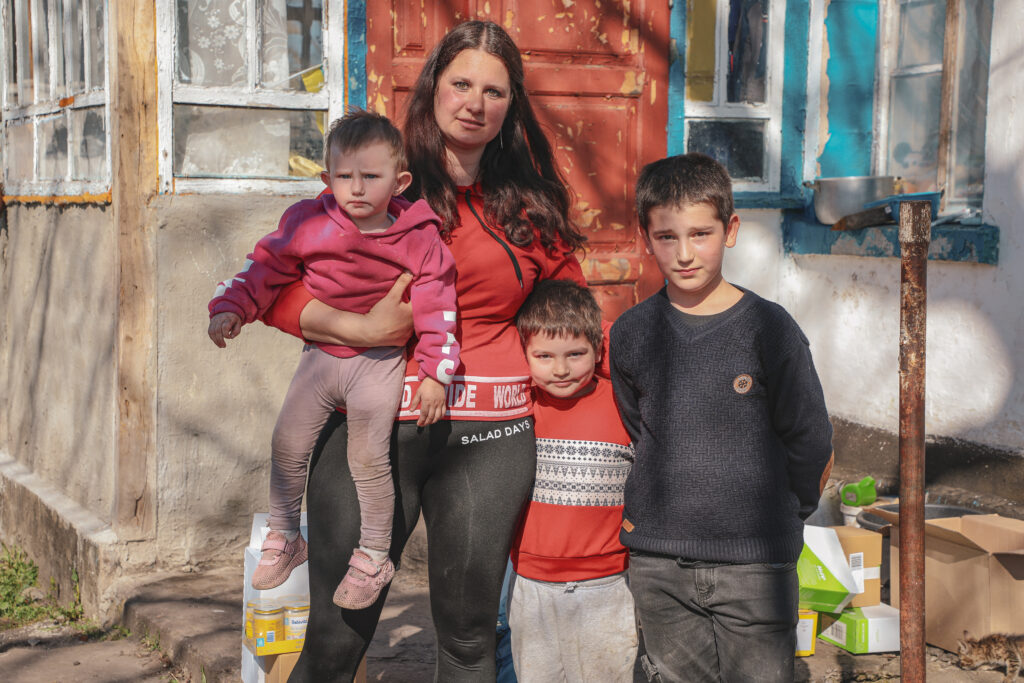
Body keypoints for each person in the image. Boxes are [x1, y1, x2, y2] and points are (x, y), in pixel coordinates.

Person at [262, 21, 588, 682]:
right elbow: (275, 289)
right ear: (434, 88)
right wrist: (358, 330)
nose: (475, 102)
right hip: (373, 430)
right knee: (336, 635)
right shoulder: (381, 184)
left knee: (469, 637)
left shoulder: (531, 205)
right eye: (461, 82)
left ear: (511, 105)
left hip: (493, 436)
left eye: (494, 91)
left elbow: (574, 308)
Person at [207, 110, 459, 610]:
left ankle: (372, 556)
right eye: (345, 176)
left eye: (371, 176)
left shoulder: (419, 236)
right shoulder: (308, 222)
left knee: (368, 460)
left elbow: (439, 305)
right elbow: (265, 267)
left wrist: (436, 374)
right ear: (327, 179)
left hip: (379, 364)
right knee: (287, 444)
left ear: (400, 181)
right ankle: (285, 536)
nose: (357, 188)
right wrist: (230, 307)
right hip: (320, 359)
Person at [609, 153, 835, 683]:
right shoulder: (632, 333)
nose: (684, 254)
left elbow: (809, 438)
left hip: (756, 566)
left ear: (730, 230)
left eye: (700, 234)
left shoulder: (770, 330)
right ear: (646, 238)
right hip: (659, 564)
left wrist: (782, 515)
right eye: (667, 237)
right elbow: (637, 430)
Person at [507, 279, 637, 682]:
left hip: (609, 585)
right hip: (531, 586)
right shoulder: (516, 406)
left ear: (599, 349)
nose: (560, 369)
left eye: (576, 354)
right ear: (523, 354)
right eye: (544, 355)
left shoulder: (624, 405)